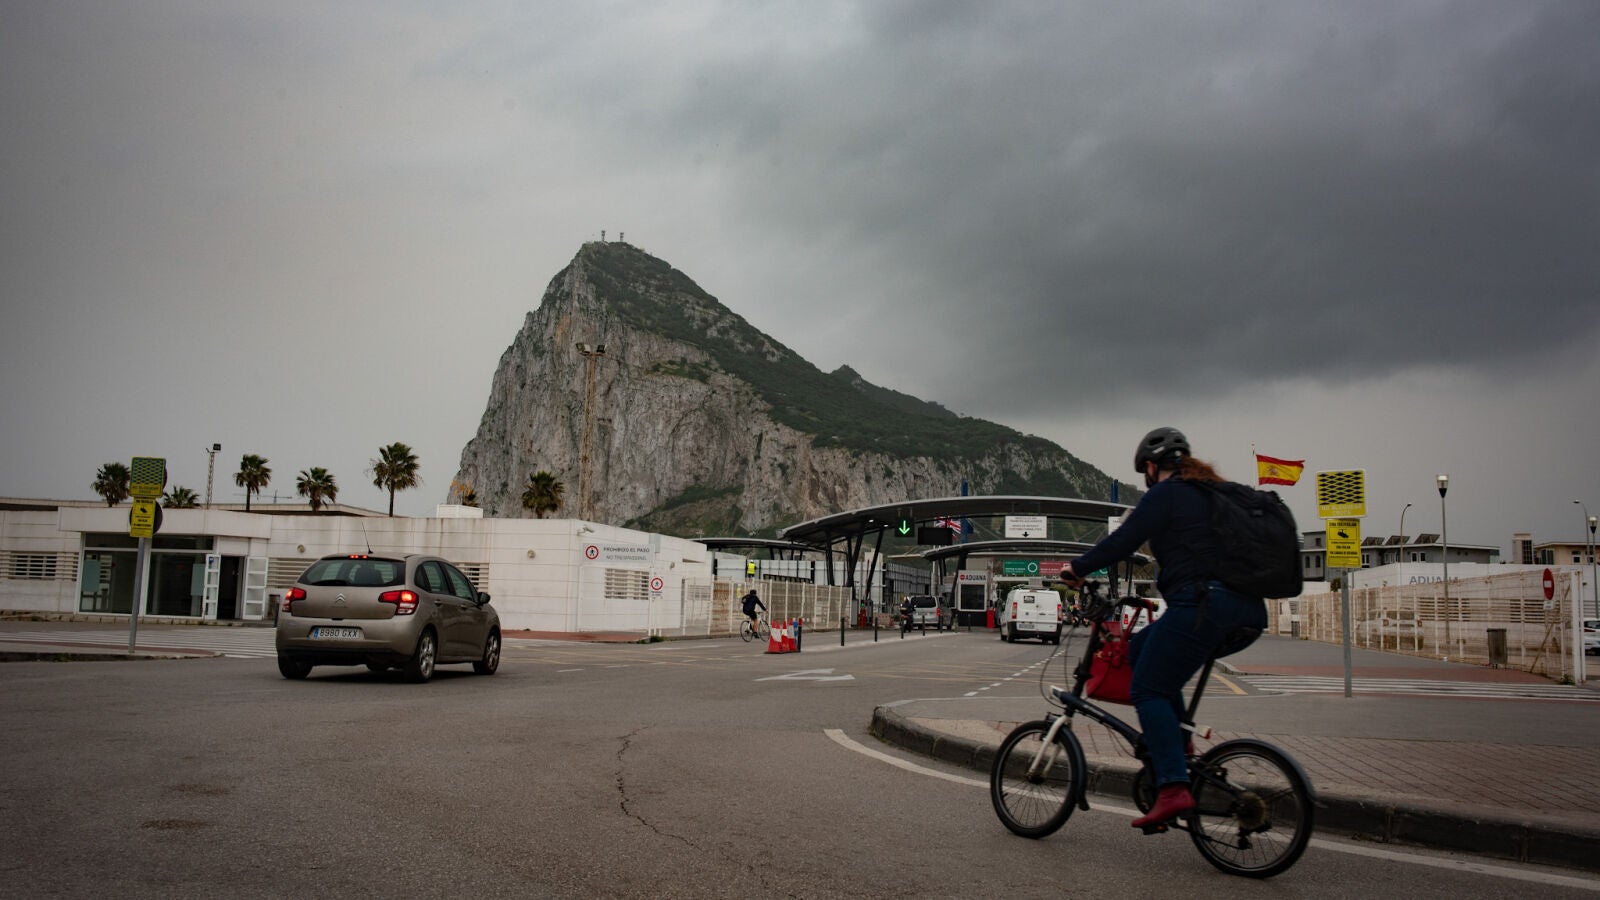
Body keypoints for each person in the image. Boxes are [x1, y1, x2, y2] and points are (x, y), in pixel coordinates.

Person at [1060, 427, 1268, 830]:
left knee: (1147, 689)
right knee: (1140, 652)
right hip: (1247, 612)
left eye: (1146, 472)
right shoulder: (1213, 494)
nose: (1147, 479)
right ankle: (1178, 743)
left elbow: (1123, 541)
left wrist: (1077, 568)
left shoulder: (1168, 494)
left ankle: (1173, 786)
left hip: (1203, 606)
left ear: (1153, 467)